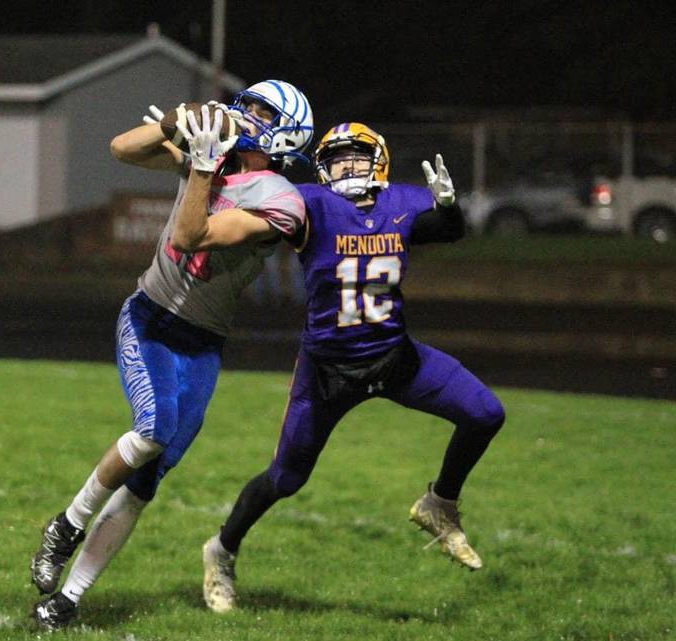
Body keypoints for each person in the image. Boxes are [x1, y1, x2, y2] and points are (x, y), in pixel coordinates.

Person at [29, 80, 314, 631]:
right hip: (151, 319)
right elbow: (121, 148)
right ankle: (66, 525)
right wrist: (170, 129)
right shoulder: (214, 156)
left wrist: (201, 166)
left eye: (263, 112)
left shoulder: (280, 200)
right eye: (246, 106)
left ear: (289, 132)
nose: (247, 117)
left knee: (146, 480)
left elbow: (191, 236)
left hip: (202, 345)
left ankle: (65, 600)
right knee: (153, 426)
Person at [201, 123, 506, 613]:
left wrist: (451, 208)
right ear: (322, 168)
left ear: (378, 162)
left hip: (396, 357)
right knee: (284, 479)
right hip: (329, 372)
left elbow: (448, 232)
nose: (346, 165)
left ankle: (440, 503)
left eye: (356, 157)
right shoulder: (310, 205)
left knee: (486, 413)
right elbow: (249, 213)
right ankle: (221, 549)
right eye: (337, 158)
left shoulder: (401, 202)